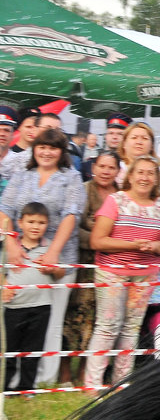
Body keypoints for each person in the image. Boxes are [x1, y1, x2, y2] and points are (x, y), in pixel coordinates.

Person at [0, 127, 86, 386]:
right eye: (42, 146)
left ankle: (42, 379)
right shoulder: (21, 174)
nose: (47, 152)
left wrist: (53, 253)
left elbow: (72, 215)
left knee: (50, 321)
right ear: (34, 148)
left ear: (62, 152)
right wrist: (11, 241)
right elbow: (4, 210)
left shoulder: (71, 177)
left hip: (58, 259)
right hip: (19, 257)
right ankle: (12, 379)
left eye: (53, 147)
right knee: (15, 318)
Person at [83, 155, 160, 393]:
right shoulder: (116, 201)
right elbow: (97, 240)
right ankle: (92, 384)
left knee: (131, 327)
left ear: (156, 179)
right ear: (130, 176)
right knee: (108, 325)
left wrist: (156, 247)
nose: (144, 177)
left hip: (145, 275)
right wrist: (133, 245)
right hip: (112, 273)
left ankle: (121, 382)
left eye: (150, 173)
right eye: (140, 172)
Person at [61, 149, 120, 388]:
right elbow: (73, 225)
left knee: (98, 319)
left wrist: (111, 243)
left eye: (111, 167)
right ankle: (65, 372)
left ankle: (86, 371)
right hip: (82, 261)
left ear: (118, 171)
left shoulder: (121, 195)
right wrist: (100, 239)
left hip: (111, 263)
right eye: (102, 166)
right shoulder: (83, 190)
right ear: (93, 168)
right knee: (72, 316)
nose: (106, 171)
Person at [3, 202, 65, 392]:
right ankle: (5, 388)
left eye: (41, 222)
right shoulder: (10, 248)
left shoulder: (50, 249)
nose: (35, 226)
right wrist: (4, 286)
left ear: (47, 225)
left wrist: (52, 268)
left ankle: (26, 388)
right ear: (20, 223)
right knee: (9, 350)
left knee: (32, 350)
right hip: (13, 308)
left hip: (41, 307)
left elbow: (61, 273)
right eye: (31, 221)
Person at [80, 113, 131, 182]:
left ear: (126, 138)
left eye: (120, 134)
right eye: (111, 133)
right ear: (105, 136)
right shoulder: (90, 164)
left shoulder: (131, 167)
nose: (114, 137)